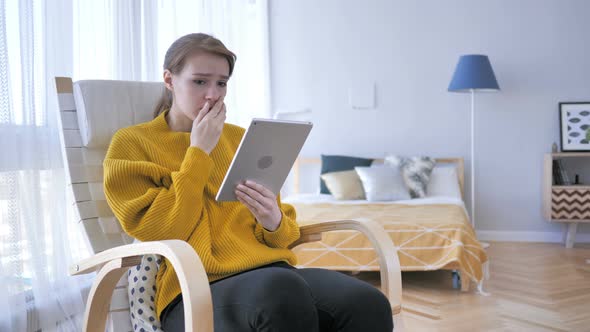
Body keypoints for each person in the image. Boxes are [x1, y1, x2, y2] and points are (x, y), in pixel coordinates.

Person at [104, 33, 393, 331]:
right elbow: (164, 230)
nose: (212, 95)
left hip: (271, 271)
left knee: (367, 301)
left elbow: (283, 238)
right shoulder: (132, 144)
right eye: (199, 81)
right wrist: (199, 152)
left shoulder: (241, 138)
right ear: (169, 79)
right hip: (193, 289)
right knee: (281, 290)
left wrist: (273, 220)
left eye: (222, 83)